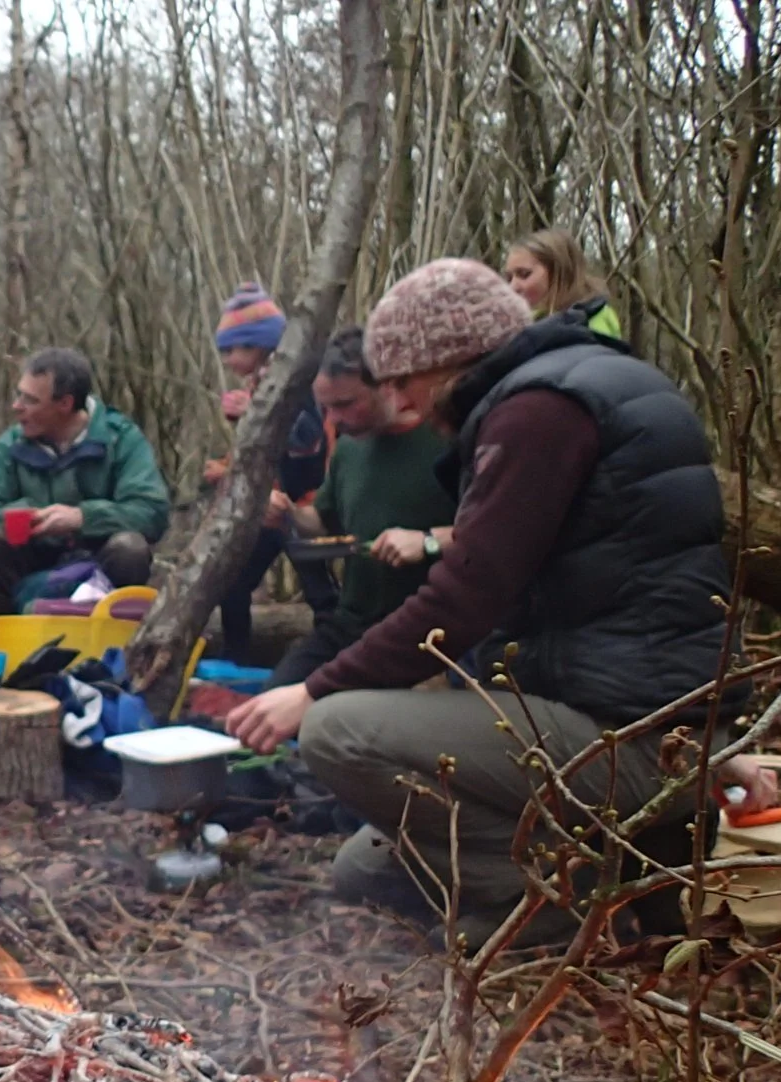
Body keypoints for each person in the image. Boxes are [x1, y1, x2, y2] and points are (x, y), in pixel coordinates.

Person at [225, 258, 741, 938]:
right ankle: (627, 860)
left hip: (628, 736)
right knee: (366, 872)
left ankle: (556, 897)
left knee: (337, 730)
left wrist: (313, 690)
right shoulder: (580, 383)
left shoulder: (538, 411)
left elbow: (463, 597)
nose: (404, 404)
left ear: (453, 358)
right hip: (637, 719)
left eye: (405, 383)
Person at [270, 326, 458, 687]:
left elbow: (495, 535)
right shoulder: (350, 449)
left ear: (387, 386)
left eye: (345, 404)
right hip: (351, 625)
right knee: (269, 706)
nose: (334, 420)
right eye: (326, 408)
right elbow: (325, 525)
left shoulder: (446, 439)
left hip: (428, 631)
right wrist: (288, 513)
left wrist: (427, 542)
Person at [0, 347, 168, 614]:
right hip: (31, 561)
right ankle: (13, 632)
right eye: (19, 395)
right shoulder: (12, 443)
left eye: (30, 400)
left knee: (130, 548)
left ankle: (111, 637)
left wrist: (82, 518)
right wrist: (27, 515)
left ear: (65, 404)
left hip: (98, 561)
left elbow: (151, 511)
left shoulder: (120, 439)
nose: (17, 407)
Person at [201, 282, 330, 662]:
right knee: (233, 584)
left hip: (302, 504)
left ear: (259, 345)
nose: (226, 360)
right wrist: (227, 466)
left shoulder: (299, 379)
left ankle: (330, 652)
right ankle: (237, 659)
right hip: (266, 506)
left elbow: (308, 440)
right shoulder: (260, 382)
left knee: (320, 591)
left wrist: (255, 412)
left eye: (231, 350)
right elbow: (261, 451)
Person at [504, 229, 622, 341]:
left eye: (524, 274)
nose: (513, 287)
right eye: (509, 278)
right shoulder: (524, 326)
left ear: (559, 273)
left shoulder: (591, 327)